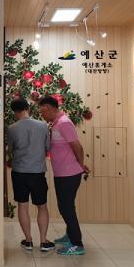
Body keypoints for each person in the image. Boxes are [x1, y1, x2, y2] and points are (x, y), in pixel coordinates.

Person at [38, 96, 90, 255]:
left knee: (66, 208)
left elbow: (78, 147)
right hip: (62, 172)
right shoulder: (56, 123)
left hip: (69, 173)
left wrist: (80, 165)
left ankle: (77, 244)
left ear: (49, 108)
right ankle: (70, 235)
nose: (42, 115)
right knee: (66, 206)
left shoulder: (64, 123)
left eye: (42, 112)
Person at [7, 98, 55, 252]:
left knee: (22, 205)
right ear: (28, 108)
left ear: (14, 112)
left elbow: (10, 150)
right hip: (37, 172)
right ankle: (43, 241)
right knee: (42, 206)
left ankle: (28, 240)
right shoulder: (42, 125)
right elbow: (47, 147)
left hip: (19, 172)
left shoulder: (11, 128)